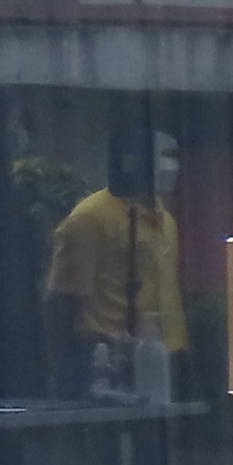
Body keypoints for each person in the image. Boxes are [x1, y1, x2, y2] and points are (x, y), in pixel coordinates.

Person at [43, 127, 186, 402]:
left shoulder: (165, 220)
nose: (172, 166)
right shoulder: (90, 219)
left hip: (164, 357)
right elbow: (61, 301)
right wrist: (64, 375)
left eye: (173, 156)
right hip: (108, 362)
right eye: (163, 156)